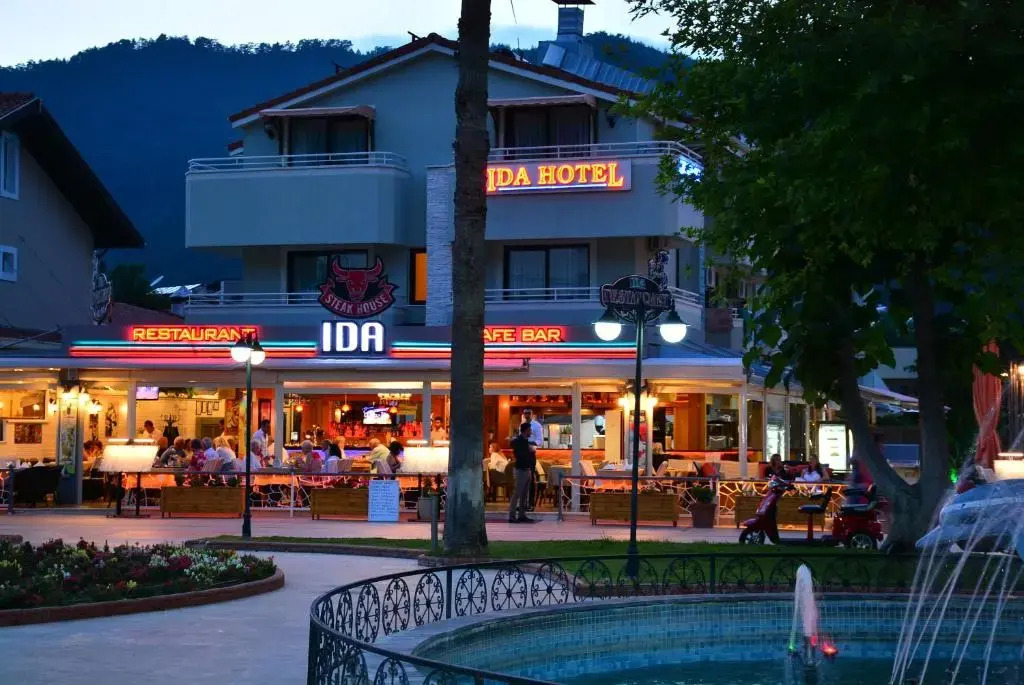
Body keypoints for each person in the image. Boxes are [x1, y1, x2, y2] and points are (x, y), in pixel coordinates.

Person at [508, 423, 537, 523]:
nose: (531, 432)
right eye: (529, 430)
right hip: (521, 470)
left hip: (527, 469)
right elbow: (519, 452)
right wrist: (529, 450)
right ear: (525, 431)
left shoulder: (525, 441)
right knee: (517, 493)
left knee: (524, 494)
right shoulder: (519, 441)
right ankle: (512, 515)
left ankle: (522, 515)